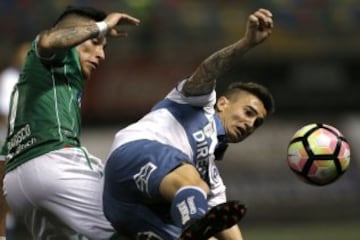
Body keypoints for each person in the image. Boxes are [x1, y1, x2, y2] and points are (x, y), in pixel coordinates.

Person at [103, 8, 274, 240]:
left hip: (128, 211)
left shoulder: (211, 175)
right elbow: (207, 70)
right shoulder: (198, 103)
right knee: (196, 186)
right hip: (133, 156)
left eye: (257, 122)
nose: (250, 123)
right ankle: (195, 222)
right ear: (222, 103)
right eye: (248, 111)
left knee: (200, 195)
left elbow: (225, 222)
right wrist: (246, 44)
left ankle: (194, 224)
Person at [1, 5, 140, 240]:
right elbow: (47, 41)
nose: (102, 55)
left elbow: (3, 160)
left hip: (16, 182)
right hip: (53, 165)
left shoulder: (33, 87)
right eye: (95, 43)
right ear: (75, 34)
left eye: (103, 47)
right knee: (132, 225)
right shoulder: (51, 57)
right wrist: (101, 26)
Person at [0, 40, 31, 240]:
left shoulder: (30, 80)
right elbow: (4, 114)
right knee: (5, 201)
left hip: (25, 145)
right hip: (7, 146)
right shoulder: (9, 78)